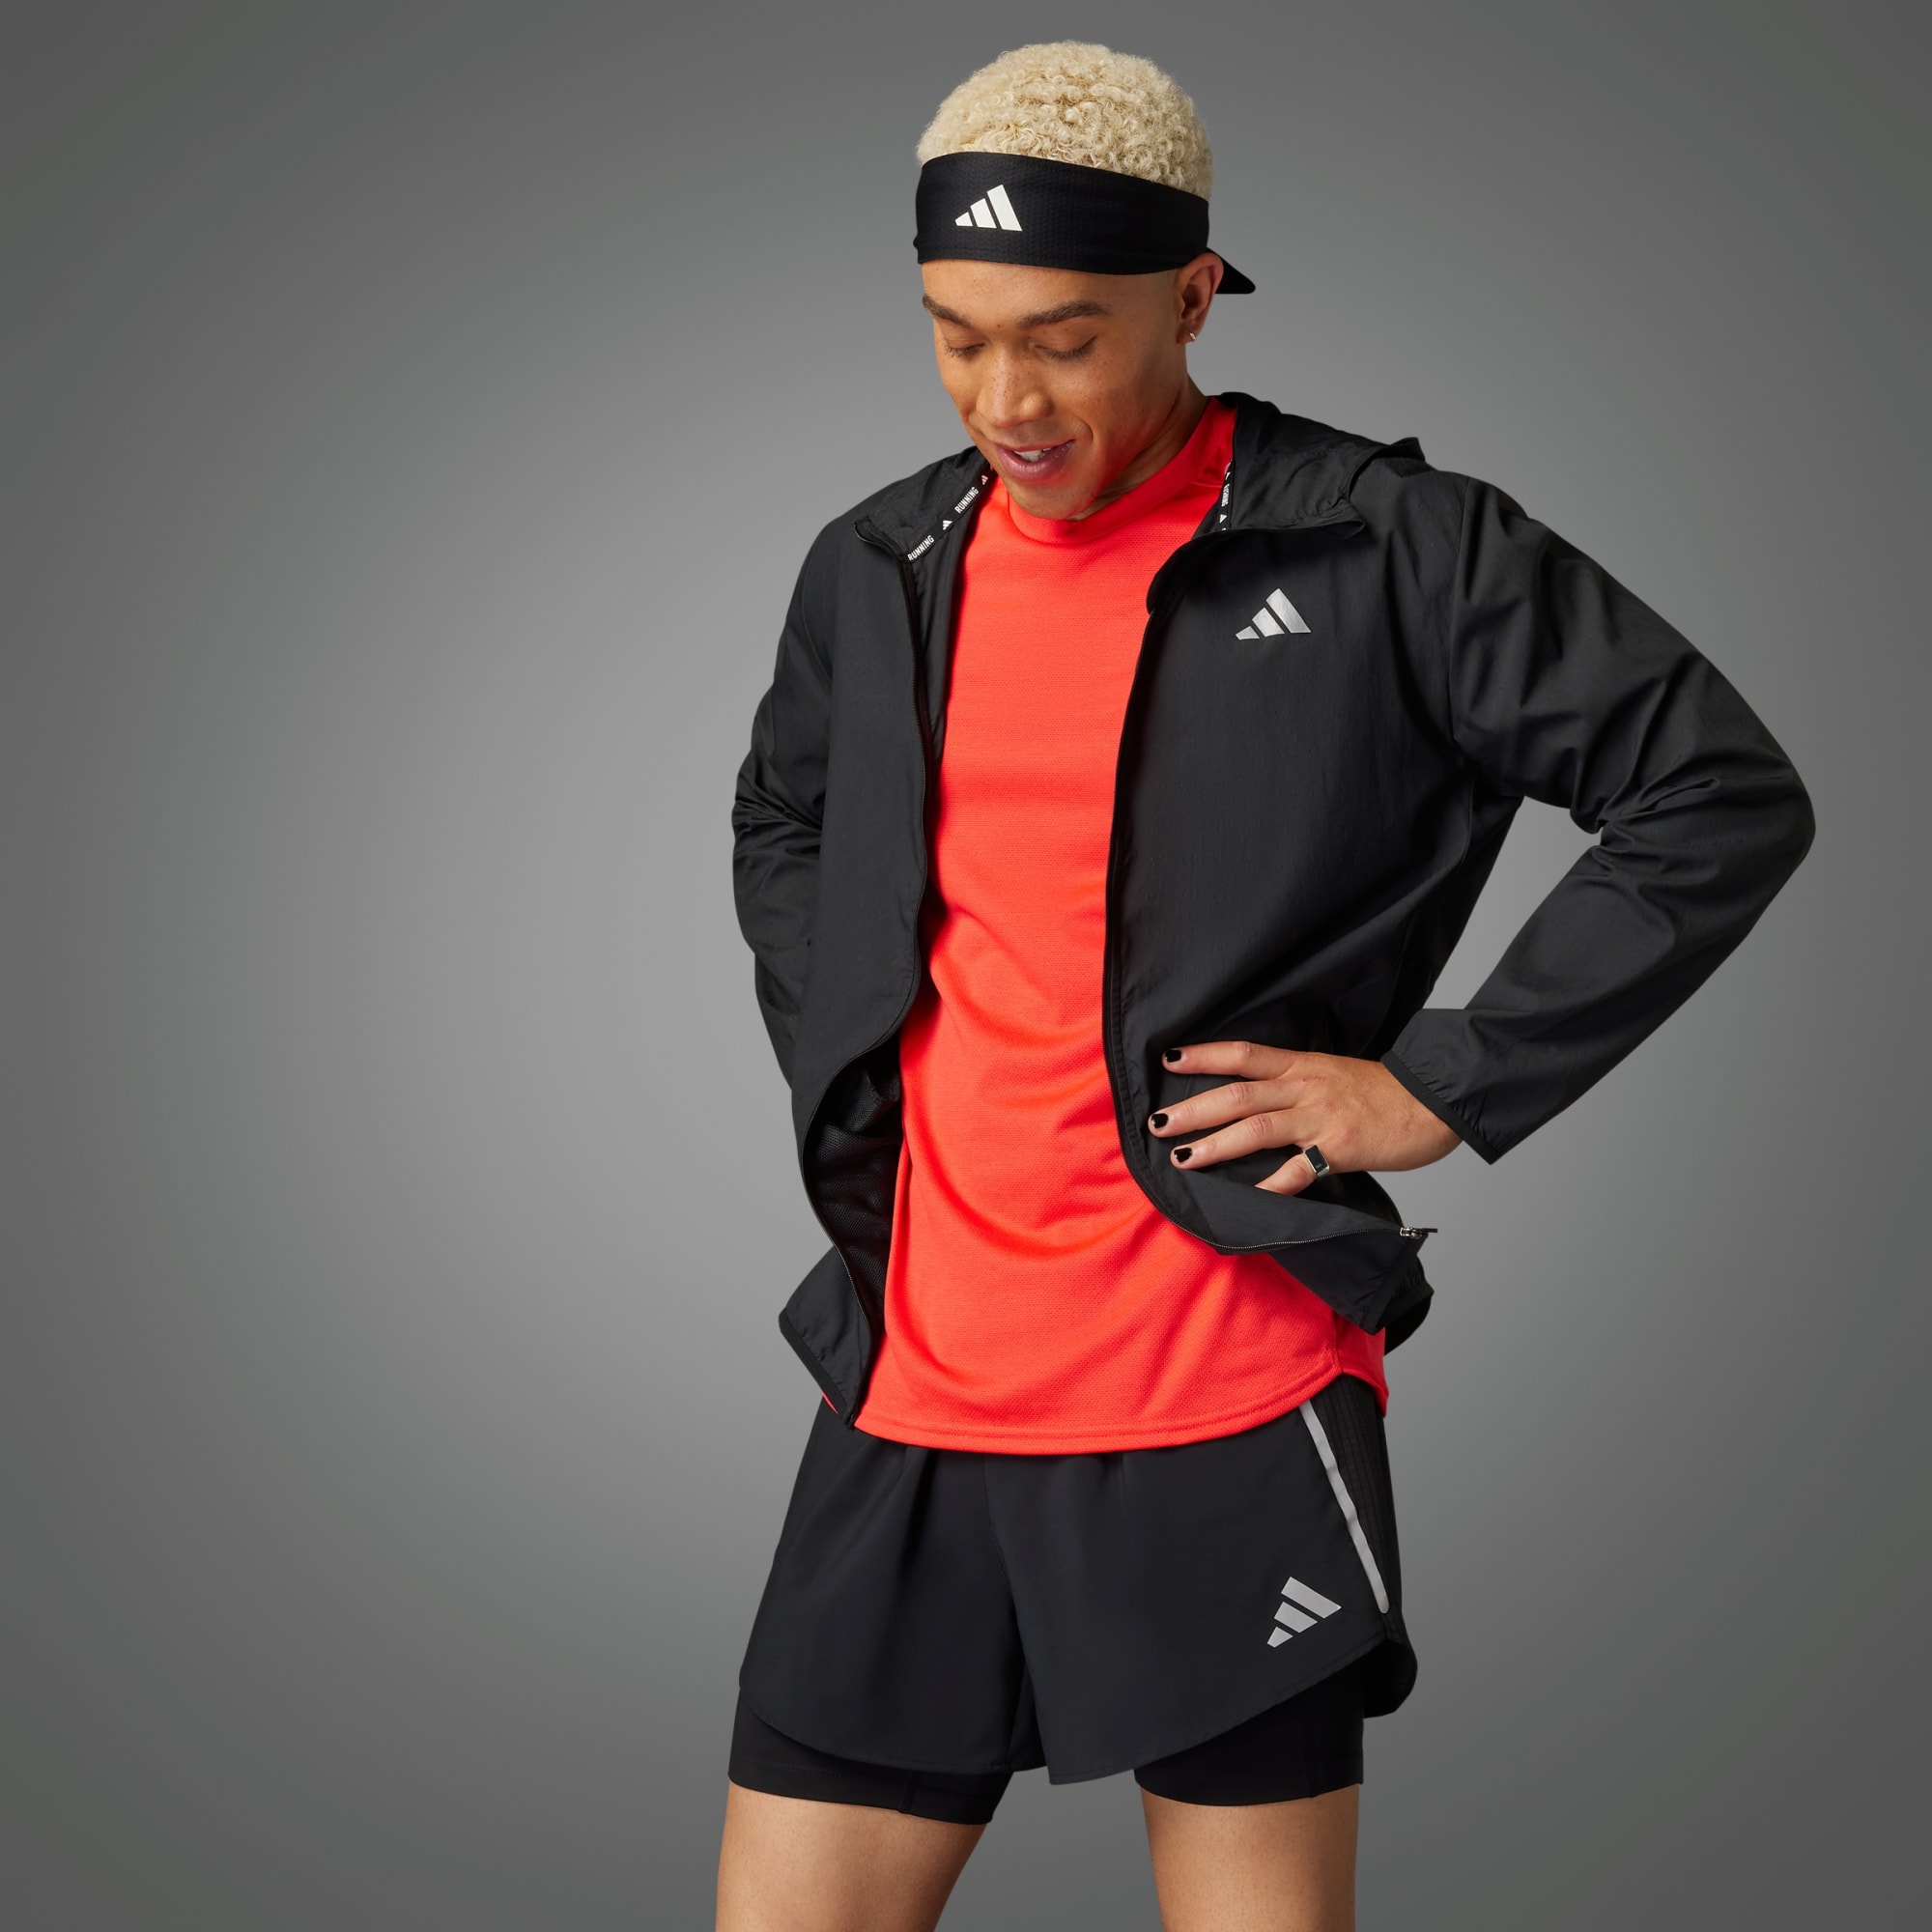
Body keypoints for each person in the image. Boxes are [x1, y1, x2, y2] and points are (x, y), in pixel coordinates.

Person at [717, 42, 1812, 1932]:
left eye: (1064, 339)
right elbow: (787, 820)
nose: (1005, 400)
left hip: (1212, 1380)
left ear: (1194, 294)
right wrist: (872, 1061)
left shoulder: (1391, 545)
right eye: (955, 336)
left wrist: (1441, 1082)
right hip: (914, 1382)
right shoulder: (881, 563)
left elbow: (1713, 790)